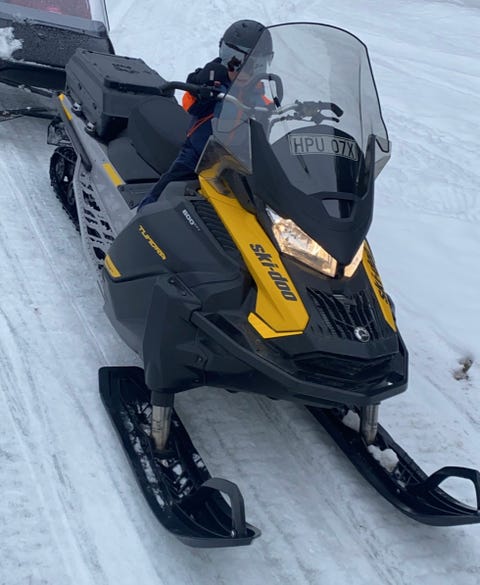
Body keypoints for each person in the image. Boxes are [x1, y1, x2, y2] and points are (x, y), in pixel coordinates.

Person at [137, 19, 272, 211]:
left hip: (237, 164)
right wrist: (201, 90)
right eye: (233, 61)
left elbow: (270, 123)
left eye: (252, 65)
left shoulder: (259, 97)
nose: (241, 71)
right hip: (199, 153)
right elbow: (189, 104)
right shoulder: (211, 79)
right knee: (168, 187)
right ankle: (145, 214)